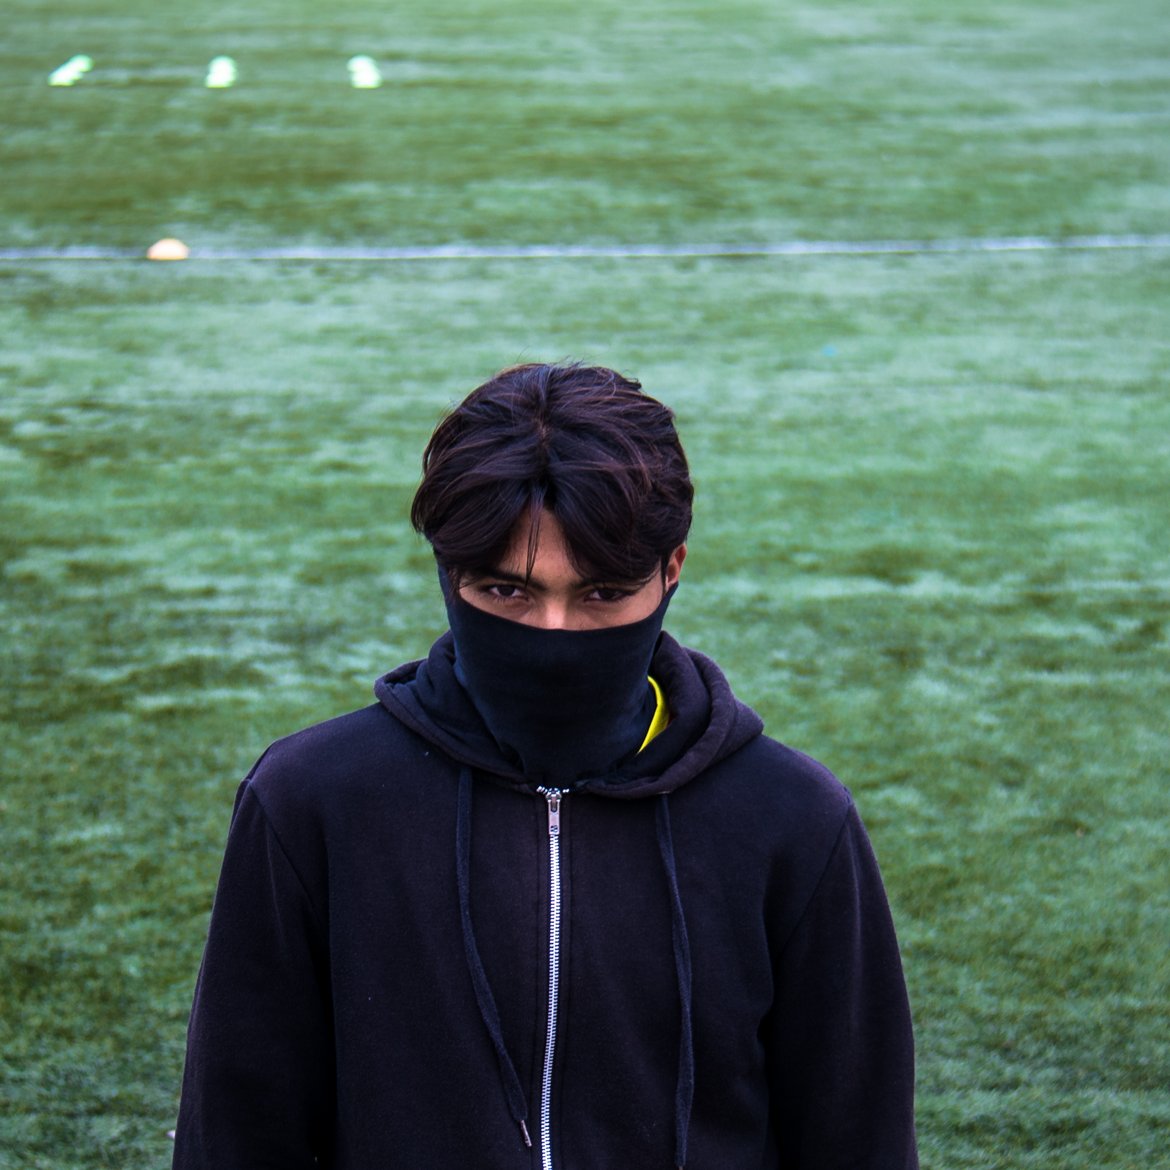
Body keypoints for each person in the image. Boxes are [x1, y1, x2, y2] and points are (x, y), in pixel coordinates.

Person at [172, 362, 918, 1169]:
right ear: (446, 574)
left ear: (673, 570)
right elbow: (240, 1130)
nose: (554, 633)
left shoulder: (792, 818)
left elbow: (857, 1135)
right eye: (506, 591)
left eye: (602, 595)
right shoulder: (312, 800)